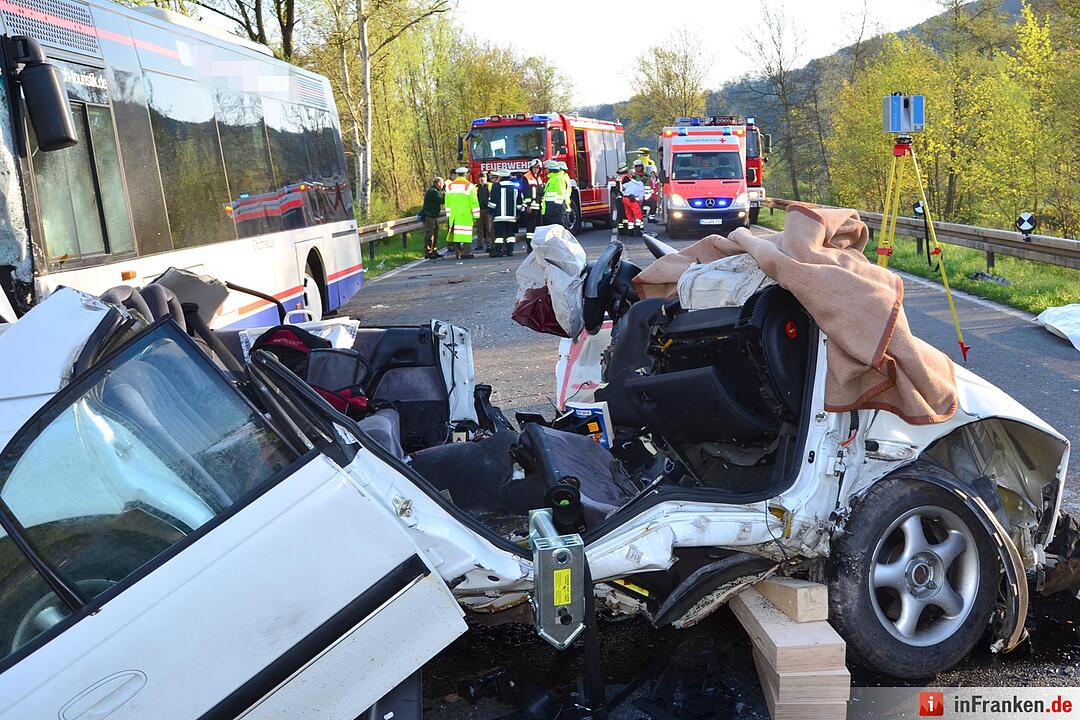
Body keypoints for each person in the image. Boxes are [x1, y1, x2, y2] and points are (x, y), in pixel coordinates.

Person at [444, 167, 478, 259]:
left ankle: (458, 252)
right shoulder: (469, 186)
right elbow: (474, 201)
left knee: (456, 234)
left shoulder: (450, 186)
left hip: (454, 215)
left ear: (457, 174)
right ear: (466, 174)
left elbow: (447, 201)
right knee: (466, 234)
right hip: (466, 215)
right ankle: (467, 252)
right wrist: (476, 214)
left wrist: (448, 213)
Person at [487, 170, 523, 257]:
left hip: (498, 216)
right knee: (510, 234)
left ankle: (498, 251)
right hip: (511, 216)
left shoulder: (496, 186)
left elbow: (493, 202)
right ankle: (510, 251)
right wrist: (518, 213)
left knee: (498, 235)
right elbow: (519, 202)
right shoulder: (515, 186)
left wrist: (490, 211)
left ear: (500, 177)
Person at [521, 159, 543, 252]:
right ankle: (529, 246)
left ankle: (537, 245)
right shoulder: (526, 177)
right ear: (531, 168)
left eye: (538, 168)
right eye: (534, 168)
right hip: (531, 207)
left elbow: (540, 192)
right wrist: (528, 205)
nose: (536, 169)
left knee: (539, 227)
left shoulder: (539, 178)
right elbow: (525, 192)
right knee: (530, 227)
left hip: (538, 206)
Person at [422, 176, 445, 259]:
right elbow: (442, 200)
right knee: (430, 233)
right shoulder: (433, 191)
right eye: (442, 183)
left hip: (433, 216)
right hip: (429, 216)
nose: (443, 185)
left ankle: (434, 251)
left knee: (435, 233)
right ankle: (428, 252)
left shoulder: (435, 191)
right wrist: (445, 193)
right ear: (438, 183)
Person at [541, 159, 567, 226]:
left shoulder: (557, 178)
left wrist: (555, 209)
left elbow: (560, 194)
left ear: (550, 169)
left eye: (546, 168)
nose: (545, 170)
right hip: (552, 209)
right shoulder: (553, 178)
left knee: (557, 228)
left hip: (556, 210)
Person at [620, 168, 645, 236]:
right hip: (631, 200)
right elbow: (641, 197)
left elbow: (623, 186)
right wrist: (640, 205)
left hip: (625, 199)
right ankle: (637, 231)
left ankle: (630, 231)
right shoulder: (641, 184)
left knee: (629, 215)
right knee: (638, 216)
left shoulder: (630, 182)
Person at [475, 171, 493, 253]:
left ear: (486, 178)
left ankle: (489, 244)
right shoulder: (475, 187)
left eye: (483, 177)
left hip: (488, 209)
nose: (482, 179)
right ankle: (480, 244)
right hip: (479, 209)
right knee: (479, 229)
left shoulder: (490, 186)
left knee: (489, 228)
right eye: (480, 177)